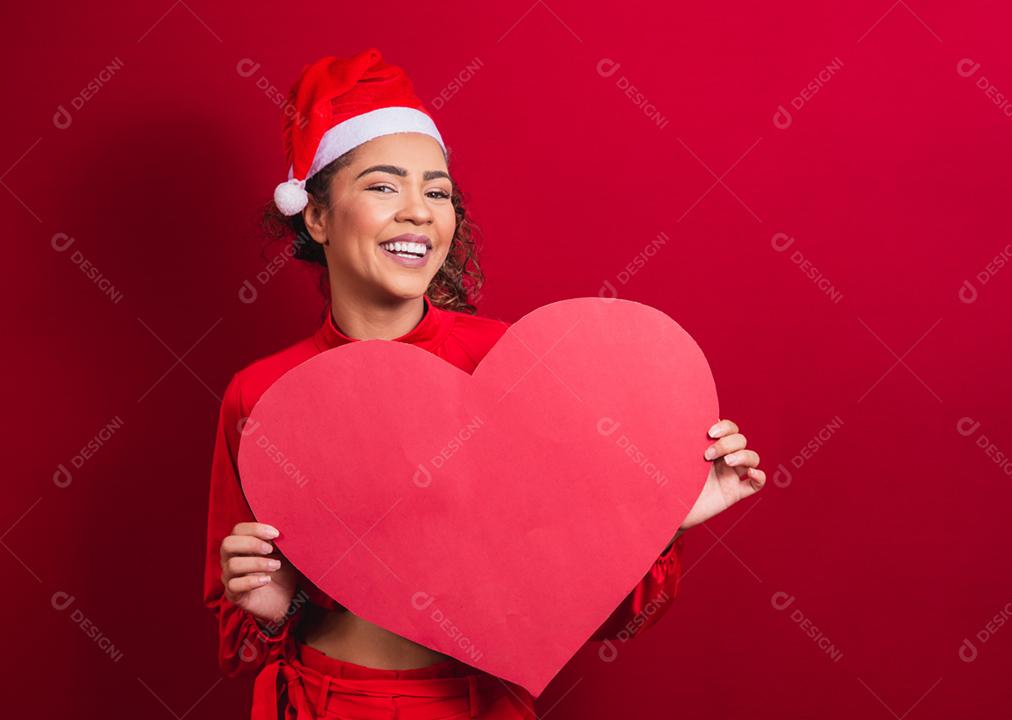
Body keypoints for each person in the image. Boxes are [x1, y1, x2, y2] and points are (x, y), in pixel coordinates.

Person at [203, 47, 766, 720]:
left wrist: (662, 510)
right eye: (384, 186)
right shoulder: (262, 394)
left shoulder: (515, 370)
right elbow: (239, 642)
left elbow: (592, 606)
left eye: (436, 191)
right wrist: (273, 609)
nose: (418, 211)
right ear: (317, 217)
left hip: (482, 704)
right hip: (327, 701)